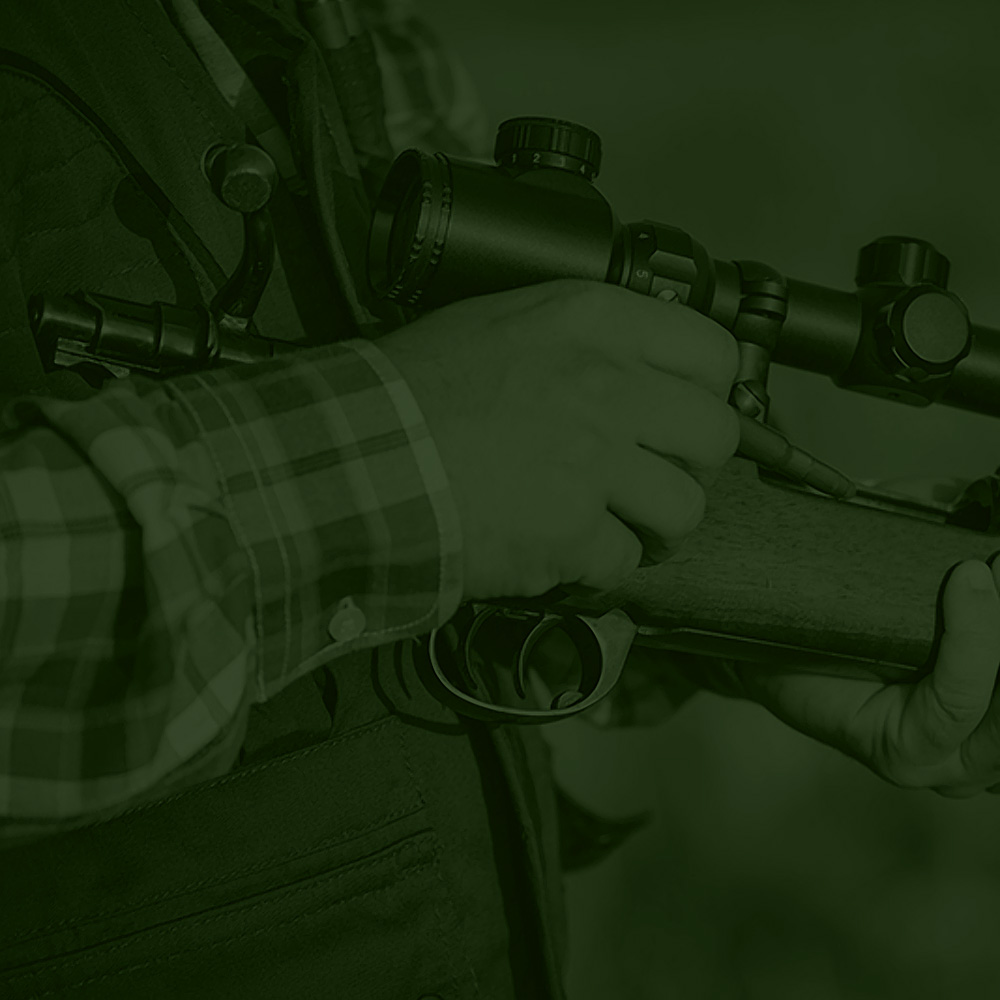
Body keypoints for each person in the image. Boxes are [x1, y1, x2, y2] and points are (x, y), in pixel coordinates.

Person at [0, 1, 998, 998]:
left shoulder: (352, 22)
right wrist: (412, 462)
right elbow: (429, 448)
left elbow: (465, 508)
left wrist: (733, 617)